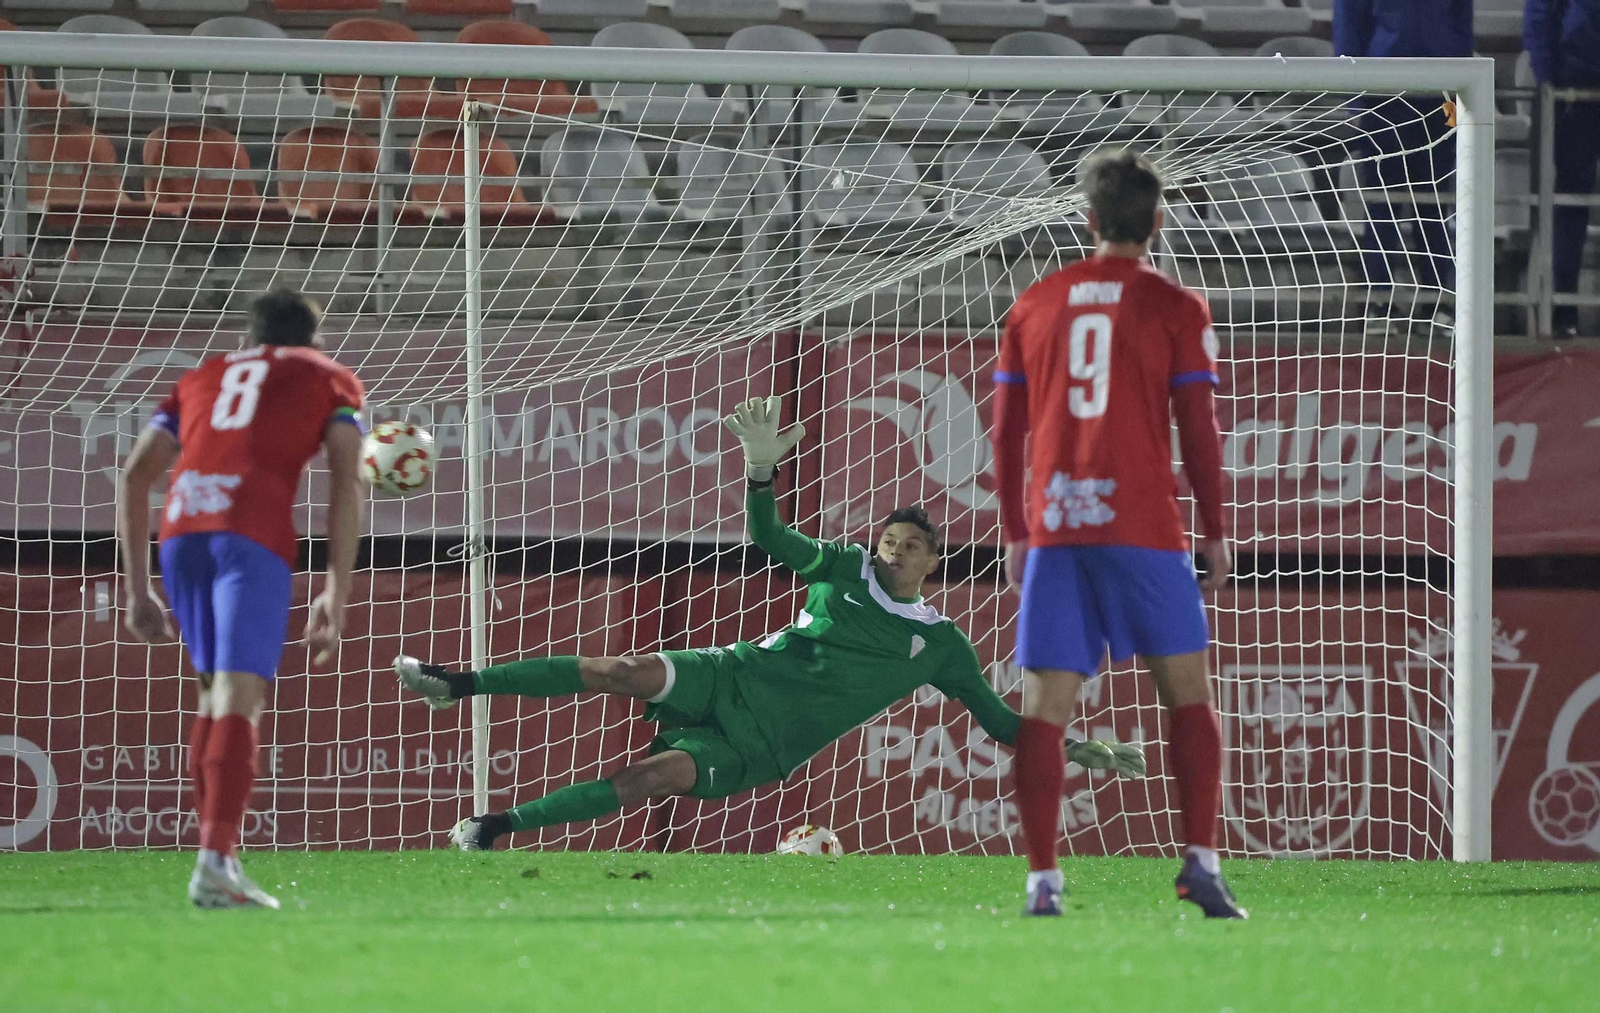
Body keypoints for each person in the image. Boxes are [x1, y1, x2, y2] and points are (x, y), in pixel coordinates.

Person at [394, 397, 1145, 852]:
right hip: (734, 670)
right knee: (618, 669)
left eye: (910, 544)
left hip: (761, 745)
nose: (893, 548)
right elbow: (773, 540)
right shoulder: (843, 566)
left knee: (647, 777)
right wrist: (761, 475)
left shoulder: (941, 644)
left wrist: (1077, 746)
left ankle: (495, 825)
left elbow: (1001, 724)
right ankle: (454, 683)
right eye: (888, 538)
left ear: (932, 561)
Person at [989, 150, 1244, 919]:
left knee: (1044, 707)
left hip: (1059, 529)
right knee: (1188, 697)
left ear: (1089, 219)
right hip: (1143, 526)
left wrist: (1014, 529)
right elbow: (1199, 430)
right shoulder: (1175, 305)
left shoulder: (1035, 302)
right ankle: (1198, 863)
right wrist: (1216, 529)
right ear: (1158, 222)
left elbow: (1004, 433)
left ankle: (1043, 879)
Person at [118, 289, 367, 909]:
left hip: (182, 532)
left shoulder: (202, 375)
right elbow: (346, 481)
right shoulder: (331, 378)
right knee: (239, 695)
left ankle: (215, 860)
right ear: (314, 338)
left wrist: (136, 586)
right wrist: (336, 589)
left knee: (211, 693)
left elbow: (134, 476)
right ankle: (214, 863)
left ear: (252, 337)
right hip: (249, 534)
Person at [1334, 0, 1472, 328]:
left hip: (1439, 97)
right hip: (1383, 96)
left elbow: (1462, 27)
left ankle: (1438, 303)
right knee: (1382, 203)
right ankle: (1380, 302)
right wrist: (1356, 102)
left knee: (1435, 203)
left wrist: (1458, 91)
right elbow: (1349, 27)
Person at [1525, 0, 1600, 338]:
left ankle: (1565, 310)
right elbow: (1539, 15)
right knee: (1571, 202)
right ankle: (1563, 311)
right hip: (1574, 90)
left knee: (1572, 203)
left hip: (1575, 85)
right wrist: (1548, 82)